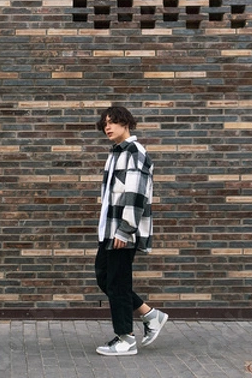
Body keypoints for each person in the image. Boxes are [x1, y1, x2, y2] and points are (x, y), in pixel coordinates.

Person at [94, 106, 168, 356]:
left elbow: (135, 196)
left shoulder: (134, 153)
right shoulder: (116, 153)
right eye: (105, 123)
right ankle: (150, 315)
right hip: (110, 230)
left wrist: (124, 231)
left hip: (122, 232)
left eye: (113, 121)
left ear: (126, 123)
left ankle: (125, 338)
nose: (108, 127)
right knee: (105, 277)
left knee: (117, 282)